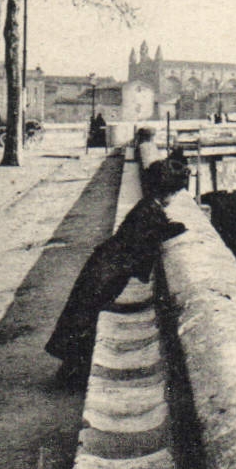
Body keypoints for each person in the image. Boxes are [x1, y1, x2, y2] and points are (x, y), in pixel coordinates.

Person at [45, 156, 190, 388]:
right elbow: (153, 236)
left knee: (84, 312)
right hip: (109, 269)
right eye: (175, 193)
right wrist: (174, 228)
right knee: (87, 313)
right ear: (168, 192)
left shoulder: (146, 207)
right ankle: (71, 373)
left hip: (107, 263)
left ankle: (71, 370)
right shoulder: (151, 211)